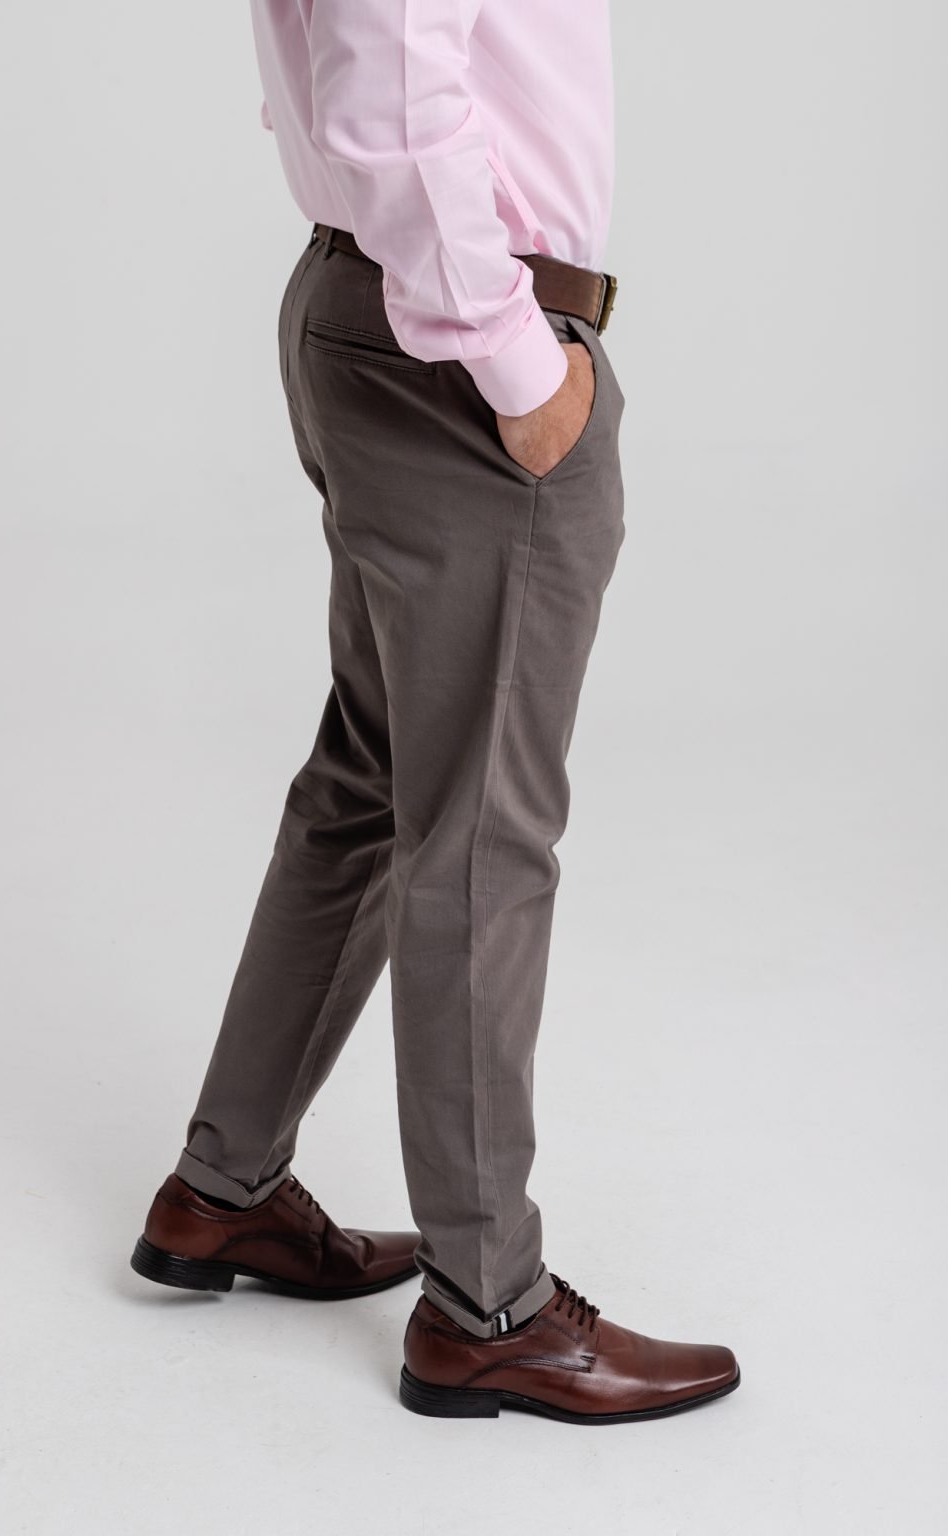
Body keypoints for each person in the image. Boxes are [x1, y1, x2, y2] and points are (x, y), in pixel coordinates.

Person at [131, 0, 740, 1425]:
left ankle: (225, 1186)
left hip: (377, 311)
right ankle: (489, 1309)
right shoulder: (487, 348)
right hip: (457, 353)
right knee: (478, 833)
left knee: (375, 775)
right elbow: (394, 102)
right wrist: (520, 366)